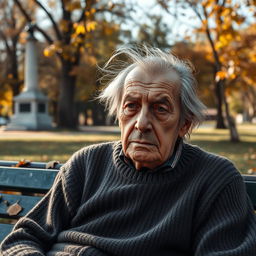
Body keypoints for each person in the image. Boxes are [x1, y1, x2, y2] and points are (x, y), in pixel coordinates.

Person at [1, 45, 256, 256]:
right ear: (119, 114)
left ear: (184, 124)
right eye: (131, 106)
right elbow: (22, 239)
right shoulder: (86, 164)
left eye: (160, 109)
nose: (142, 123)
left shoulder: (215, 179)